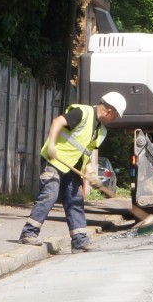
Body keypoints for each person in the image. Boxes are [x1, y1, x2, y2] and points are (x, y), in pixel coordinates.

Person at [18, 92, 127, 253]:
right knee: (50, 194)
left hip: (72, 167)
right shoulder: (82, 112)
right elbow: (57, 122)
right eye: (116, 115)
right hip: (54, 161)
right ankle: (28, 233)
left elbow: (86, 154)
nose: (115, 119)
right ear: (109, 111)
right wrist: (51, 144)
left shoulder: (101, 131)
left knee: (75, 200)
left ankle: (79, 241)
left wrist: (91, 174)